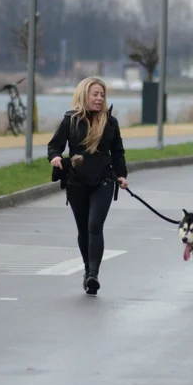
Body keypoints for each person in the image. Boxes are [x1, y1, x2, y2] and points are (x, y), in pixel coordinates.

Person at [47, 77, 129, 295]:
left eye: (102, 95)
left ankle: (93, 274)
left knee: (95, 226)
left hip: (103, 180)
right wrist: (55, 157)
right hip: (76, 181)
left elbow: (118, 152)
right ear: (84, 95)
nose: (99, 99)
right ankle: (86, 270)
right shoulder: (70, 120)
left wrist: (121, 175)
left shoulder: (110, 123)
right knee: (83, 228)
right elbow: (54, 145)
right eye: (95, 94)